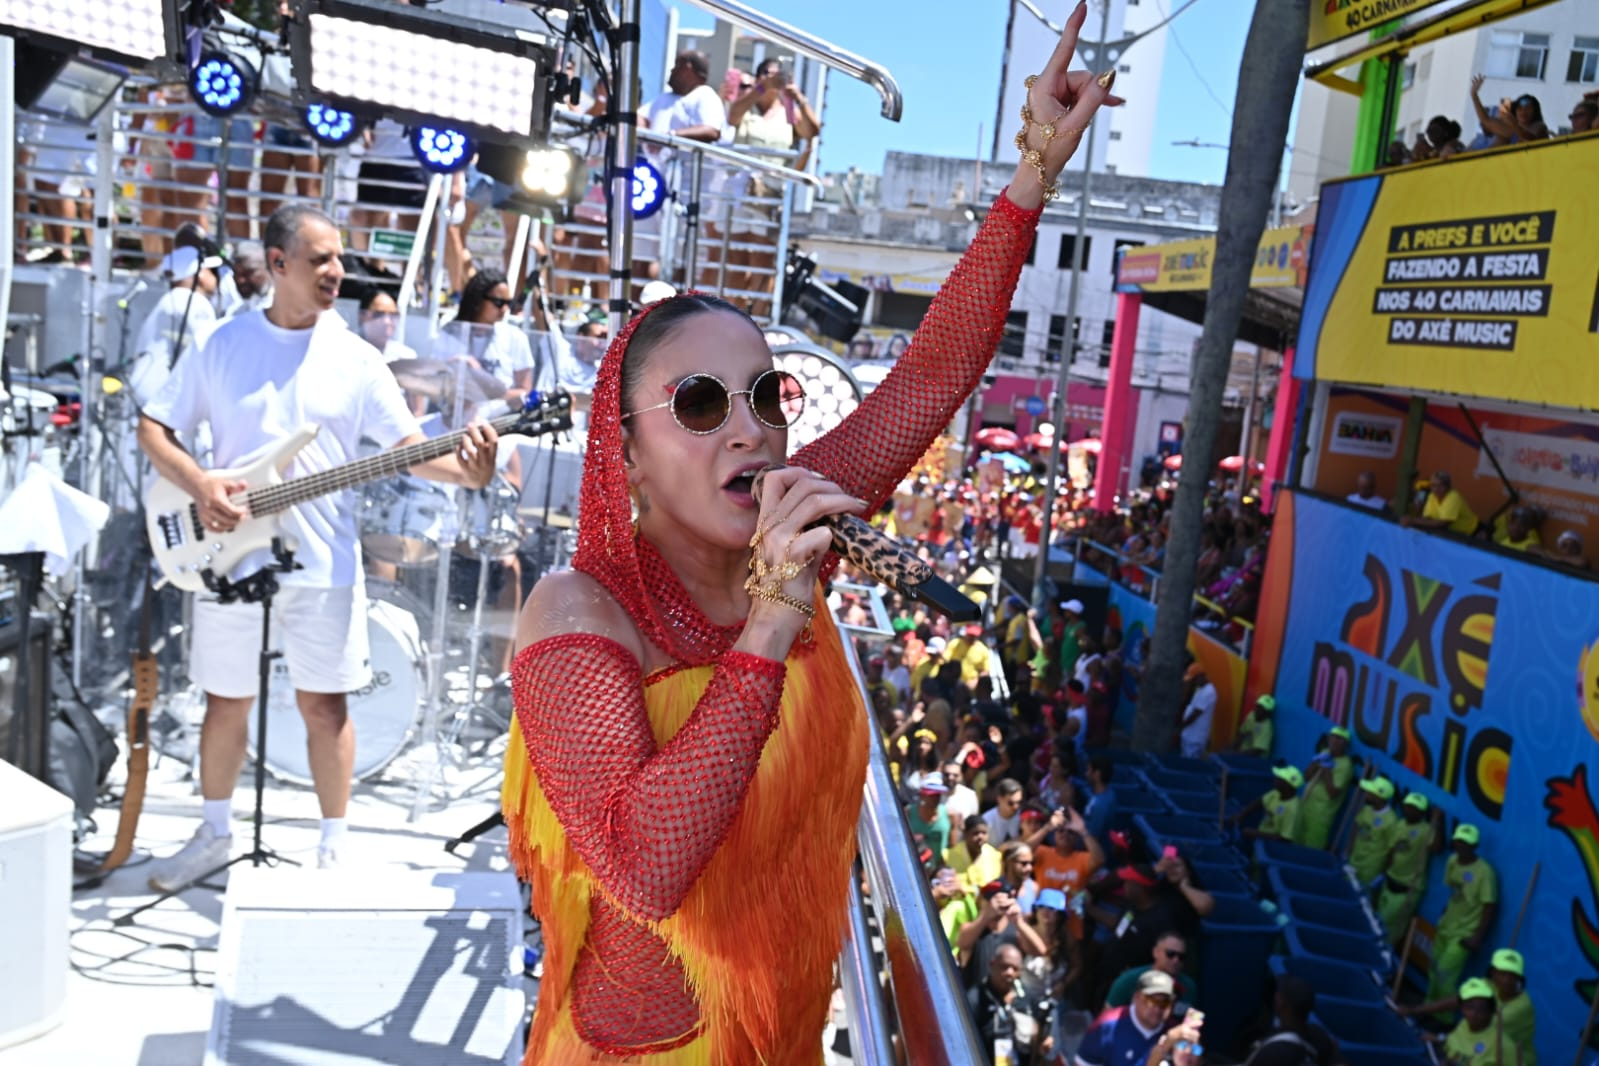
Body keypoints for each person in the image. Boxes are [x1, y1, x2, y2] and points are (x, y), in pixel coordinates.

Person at [498, 16, 1118, 1057]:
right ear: (627, 455)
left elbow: (925, 378)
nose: (750, 425)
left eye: (765, 395)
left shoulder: (788, 511)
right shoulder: (575, 612)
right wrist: (775, 622)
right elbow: (647, 869)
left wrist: (1029, 183)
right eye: (699, 403)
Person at [137, 205, 500, 889]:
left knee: (325, 706)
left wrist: (467, 470)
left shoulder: (356, 358)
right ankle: (214, 833)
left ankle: (333, 849)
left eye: (339, 258)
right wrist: (201, 481)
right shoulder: (223, 342)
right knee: (226, 700)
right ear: (278, 265)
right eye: (320, 260)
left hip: (323, 561)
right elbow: (155, 426)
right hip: (227, 553)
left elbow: (405, 451)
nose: (338, 272)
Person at [1399, 947, 1534, 1061]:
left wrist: (1440, 1038)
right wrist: (1414, 1010)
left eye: (1512, 975)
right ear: (1493, 972)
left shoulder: (1521, 1008)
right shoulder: (1489, 984)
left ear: (1519, 977)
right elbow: (1457, 1001)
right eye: (1502, 973)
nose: (1507, 980)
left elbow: (1478, 1029)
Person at [127, 245, 221, 410]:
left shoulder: (169, 300)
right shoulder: (193, 302)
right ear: (199, 273)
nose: (215, 277)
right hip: (163, 402)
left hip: (144, 396)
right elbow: (210, 355)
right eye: (211, 271)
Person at [1427, 823, 1500, 1010]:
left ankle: (1444, 1018)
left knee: (1445, 974)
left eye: (1466, 843)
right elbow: (1454, 891)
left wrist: (1477, 937)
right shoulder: (1452, 861)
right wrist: (1445, 913)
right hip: (1446, 925)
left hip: (1464, 932)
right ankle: (1428, 1007)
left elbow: (1489, 905)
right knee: (1433, 969)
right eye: (1459, 841)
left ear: (1475, 846)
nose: (1461, 846)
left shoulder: (1484, 872)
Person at [1076, 971, 1202, 1066]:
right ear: (1136, 998)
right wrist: (1164, 1046)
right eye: (1152, 1000)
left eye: (1165, 1002)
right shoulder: (1106, 1025)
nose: (1158, 1008)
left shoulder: (1175, 1030)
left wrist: (1194, 1052)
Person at [967, 943, 1055, 1066]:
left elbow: (1042, 1030)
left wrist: (1044, 1042)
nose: (1009, 972)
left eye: (1015, 968)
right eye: (1004, 966)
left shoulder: (1027, 997)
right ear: (992, 965)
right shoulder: (975, 999)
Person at [1378, 792, 1443, 943]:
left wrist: (1438, 823)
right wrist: (1384, 872)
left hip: (1408, 887)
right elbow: (1392, 851)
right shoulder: (1400, 824)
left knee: (1390, 927)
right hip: (1390, 880)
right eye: (1407, 806)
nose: (1409, 810)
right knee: (1377, 919)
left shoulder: (1426, 830)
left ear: (1421, 812)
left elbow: (1437, 848)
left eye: (1414, 808)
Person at [1241, 975, 1339, 1065]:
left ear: (1282, 1005)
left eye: (1278, 994)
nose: (1275, 996)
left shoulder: (1275, 1053)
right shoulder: (1318, 1035)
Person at [1103, 932, 1198, 1010]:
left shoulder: (1188, 986)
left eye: (1181, 957)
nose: (1176, 960)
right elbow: (1106, 1019)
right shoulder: (1128, 981)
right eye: (1170, 954)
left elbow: (1192, 1019)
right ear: (1155, 952)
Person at [1299, 727, 1354, 850]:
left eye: (1339, 739)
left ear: (1345, 744)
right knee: (1297, 842)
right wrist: (1315, 762)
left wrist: (1327, 770)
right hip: (1306, 805)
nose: (1334, 741)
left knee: (1312, 849)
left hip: (1321, 814)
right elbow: (1306, 777)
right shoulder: (1325, 752)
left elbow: (1333, 793)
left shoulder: (1346, 765)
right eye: (1332, 737)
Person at [1442, 978, 1514, 1066]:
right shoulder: (1463, 1025)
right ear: (1462, 1008)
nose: (1474, 1013)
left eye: (1481, 1008)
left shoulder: (1501, 1044)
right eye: (1469, 1007)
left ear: (1492, 1011)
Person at [1348, 775, 1399, 886]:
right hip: (1354, 860)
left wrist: (1383, 873)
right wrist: (1348, 851)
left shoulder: (1391, 821)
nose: (1367, 794)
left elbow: (1392, 850)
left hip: (1370, 869)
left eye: (1370, 793)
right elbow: (1356, 829)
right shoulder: (1366, 809)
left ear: (1379, 797)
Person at [1234, 765, 1304, 843]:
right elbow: (1259, 802)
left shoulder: (1293, 810)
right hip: (1260, 840)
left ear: (1287, 785)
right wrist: (1240, 816)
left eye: (1278, 779)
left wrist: (1255, 834)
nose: (1275, 780)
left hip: (1273, 847)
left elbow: (1285, 839)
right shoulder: (1276, 793)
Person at [1406, 471, 1479, 536]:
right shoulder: (1432, 496)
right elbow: (1428, 518)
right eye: (1433, 485)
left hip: (1473, 532)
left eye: (1440, 485)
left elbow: (1443, 523)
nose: (1436, 489)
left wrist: (1413, 521)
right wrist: (1415, 520)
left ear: (1448, 486)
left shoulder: (1453, 497)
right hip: (1456, 534)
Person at [357, 288, 418, 364]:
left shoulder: (405, 358)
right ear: (362, 316)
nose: (387, 321)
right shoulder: (347, 352)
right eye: (379, 314)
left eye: (393, 315)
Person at [217, 240, 272, 318]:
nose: (240, 280)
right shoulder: (235, 314)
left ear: (268, 268)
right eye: (236, 274)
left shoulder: (285, 307)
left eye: (248, 273)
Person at [907, 777, 953, 861]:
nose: (936, 798)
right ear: (922, 795)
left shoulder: (949, 814)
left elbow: (952, 845)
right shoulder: (909, 812)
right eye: (932, 795)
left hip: (939, 867)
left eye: (938, 795)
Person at [1178, 663, 1216, 759]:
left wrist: (1181, 726)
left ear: (1200, 676)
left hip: (1195, 737)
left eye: (1194, 679)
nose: (1193, 682)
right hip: (1189, 735)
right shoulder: (1200, 688)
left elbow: (1196, 714)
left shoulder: (1209, 691)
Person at [1083, 754, 1119, 859]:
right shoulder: (1105, 794)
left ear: (1097, 774)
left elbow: (1093, 838)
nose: (1086, 774)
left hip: (1093, 853)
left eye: (1089, 770)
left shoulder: (1101, 804)